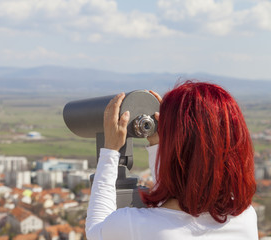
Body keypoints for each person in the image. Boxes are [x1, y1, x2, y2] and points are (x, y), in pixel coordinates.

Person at [85, 81, 258, 240]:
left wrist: (110, 150)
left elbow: (95, 231)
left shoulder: (135, 225)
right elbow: (174, 205)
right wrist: (157, 144)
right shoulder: (246, 220)